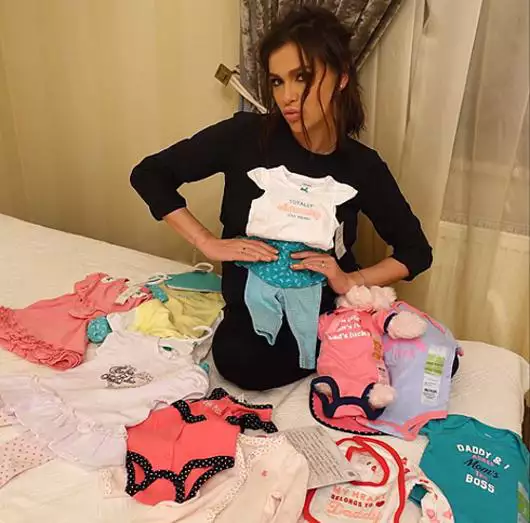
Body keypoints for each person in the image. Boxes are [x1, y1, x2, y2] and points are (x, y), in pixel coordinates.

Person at [130, 6, 433, 391]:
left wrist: (349, 280)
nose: (287, 96)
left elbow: (415, 251)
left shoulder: (362, 166)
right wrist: (206, 242)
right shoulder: (245, 137)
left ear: (341, 77)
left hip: (326, 323)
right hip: (248, 324)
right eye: (277, 82)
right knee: (243, 365)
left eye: (302, 77)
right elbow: (149, 174)